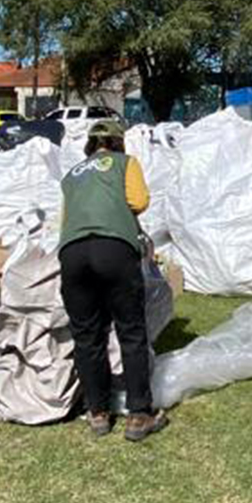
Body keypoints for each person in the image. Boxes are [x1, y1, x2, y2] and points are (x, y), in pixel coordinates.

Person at [57, 119, 164, 441]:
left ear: (90, 145)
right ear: (118, 143)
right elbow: (139, 201)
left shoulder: (72, 175)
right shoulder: (125, 163)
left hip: (72, 254)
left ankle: (98, 413)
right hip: (113, 248)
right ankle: (139, 415)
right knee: (130, 331)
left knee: (87, 335)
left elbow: (64, 220)